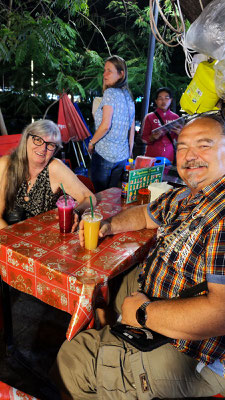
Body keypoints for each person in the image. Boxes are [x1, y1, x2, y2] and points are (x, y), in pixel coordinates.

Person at [53, 113, 225, 400]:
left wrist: (144, 314)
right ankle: (116, 341)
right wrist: (108, 225)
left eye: (204, 145)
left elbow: (220, 314)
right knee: (105, 287)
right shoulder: (187, 196)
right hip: (159, 294)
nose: (189, 156)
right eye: (182, 147)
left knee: (71, 358)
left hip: (194, 353)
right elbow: (145, 215)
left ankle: (108, 366)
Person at [0, 119, 96, 230]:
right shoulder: (6, 165)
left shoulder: (55, 168)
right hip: (8, 236)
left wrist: (76, 211)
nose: (43, 148)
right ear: (26, 139)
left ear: (55, 150)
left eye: (50, 144)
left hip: (42, 239)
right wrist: (13, 243)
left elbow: (90, 198)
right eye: (37, 140)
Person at [88, 55, 135, 192]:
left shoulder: (110, 93)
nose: (104, 74)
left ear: (121, 74)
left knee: (98, 196)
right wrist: (130, 152)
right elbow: (131, 129)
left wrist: (91, 143)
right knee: (112, 197)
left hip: (104, 154)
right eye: (104, 70)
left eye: (109, 70)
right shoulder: (129, 97)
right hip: (122, 157)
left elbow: (106, 125)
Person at [142, 87, 180, 164]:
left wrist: (180, 134)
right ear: (156, 101)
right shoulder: (149, 117)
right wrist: (152, 137)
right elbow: (143, 138)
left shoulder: (176, 118)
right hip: (151, 156)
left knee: (167, 176)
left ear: (171, 100)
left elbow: (180, 141)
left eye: (167, 98)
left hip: (169, 157)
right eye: (160, 98)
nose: (163, 101)